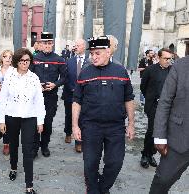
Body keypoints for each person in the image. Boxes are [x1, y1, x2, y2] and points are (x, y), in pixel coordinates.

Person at [72, 36, 135, 194]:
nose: (93, 57)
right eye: (92, 53)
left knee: (115, 163)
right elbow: (77, 101)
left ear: (108, 52)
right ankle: (93, 190)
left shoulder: (121, 72)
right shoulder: (85, 73)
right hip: (91, 126)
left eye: (97, 53)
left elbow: (129, 99)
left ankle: (102, 188)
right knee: (90, 163)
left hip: (115, 127)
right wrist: (75, 125)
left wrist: (132, 124)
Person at [0, 48, 45, 194]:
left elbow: (39, 101)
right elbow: (3, 98)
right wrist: (1, 120)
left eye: (27, 60)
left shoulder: (34, 78)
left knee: (28, 150)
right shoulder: (10, 76)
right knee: (13, 145)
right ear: (16, 61)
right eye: (22, 60)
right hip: (11, 116)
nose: (25, 63)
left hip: (29, 117)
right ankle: (13, 167)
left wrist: (40, 121)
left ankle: (29, 185)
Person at [149, 55, 189, 194]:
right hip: (180, 137)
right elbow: (165, 101)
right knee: (162, 181)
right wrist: (159, 136)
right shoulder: (181, 65)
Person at [30, 32, 66, 158]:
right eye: (45, 43)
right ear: (41, 44)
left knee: (48, 122)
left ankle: (44, 145)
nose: (47, 45)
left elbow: (64, 77)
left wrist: (55, 84)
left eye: (49, 43)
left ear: (53, 44)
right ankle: (34, 148)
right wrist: (36, 85)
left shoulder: (59, 60)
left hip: (51, 96)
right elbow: (29, 76)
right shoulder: (34, 59)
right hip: (36, 97)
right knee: (35, 122)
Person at [140, 48, 173, 169]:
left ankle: (151, 154)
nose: (168, 61)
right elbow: (143, 87)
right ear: (159, 58)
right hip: (153, 105)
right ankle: (144, 154)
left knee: (161, 131)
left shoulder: (172, 70)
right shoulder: (150, 70)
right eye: (165, 58)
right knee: (152, 130)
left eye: (170, 59)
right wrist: (150, 98)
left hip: (167, 107)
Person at [62, 38, 86, 153]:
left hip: (84, 95)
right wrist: (71, 87)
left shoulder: (89, 61)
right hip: (69, 93)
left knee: (81, 118)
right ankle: (67, 132)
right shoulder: (69, 61)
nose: (76, 47)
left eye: (78, 45)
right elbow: (65, 76)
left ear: (84, 47)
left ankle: (78, 142)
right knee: (68, 115)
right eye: (75, 45)